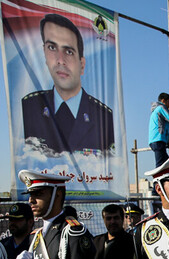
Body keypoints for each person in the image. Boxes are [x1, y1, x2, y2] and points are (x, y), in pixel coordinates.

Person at [22, 13, 114, 155]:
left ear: (82, 65)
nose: (60, 60)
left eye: (69, 51)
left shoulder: (104, 117)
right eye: (52, 48)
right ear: (44, 54)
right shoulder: (29, 107)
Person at [148, 92, 169, 167]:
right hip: (158, 140)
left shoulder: (157, 110)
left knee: (167, 164)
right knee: (160, 165)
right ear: (163, 101)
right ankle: (158, 178)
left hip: (157, 140)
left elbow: (164, 128)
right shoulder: (161, 108)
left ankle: (163, 178)